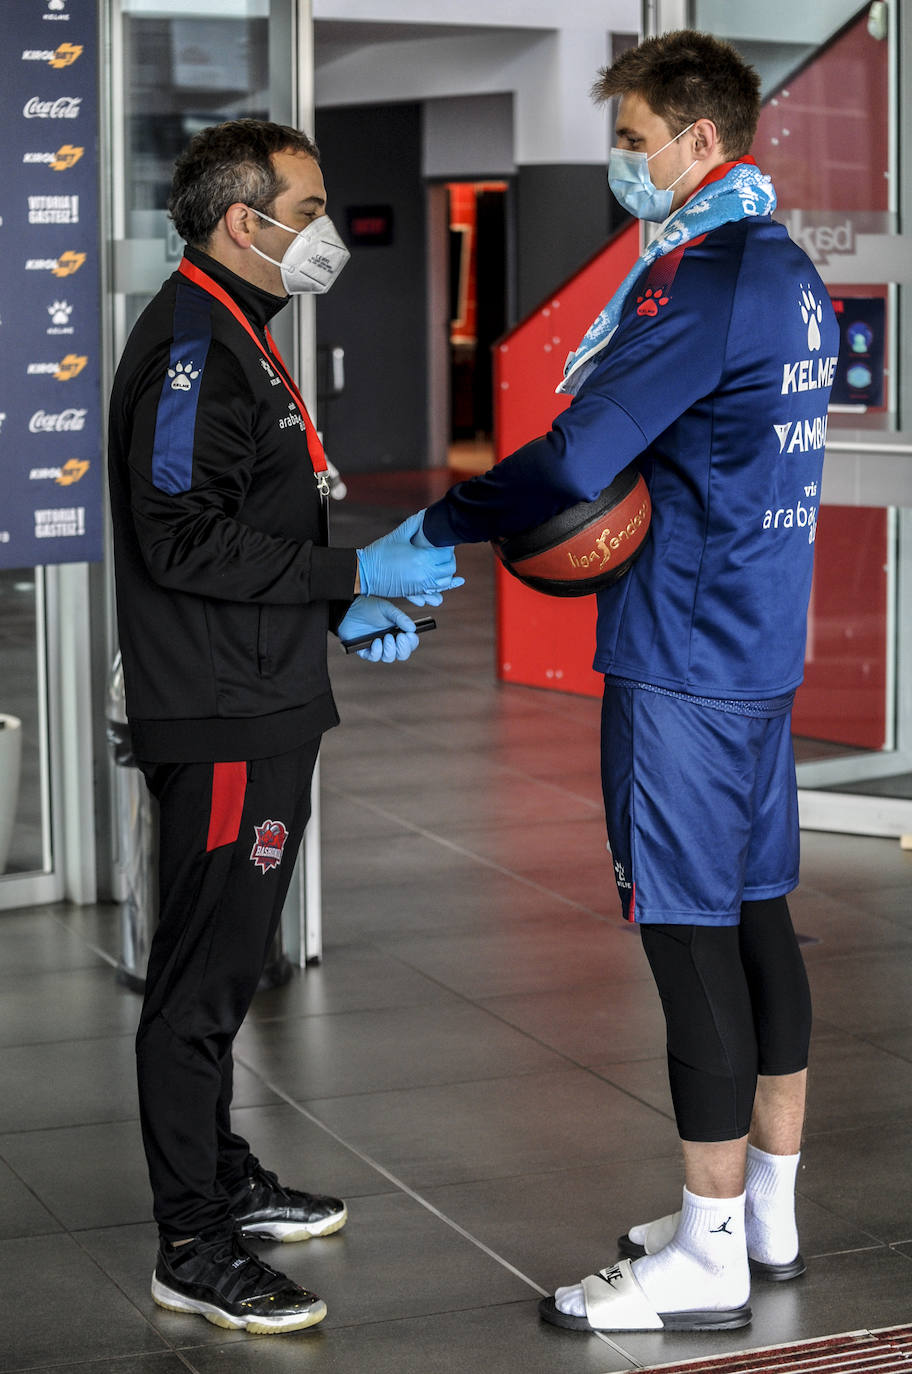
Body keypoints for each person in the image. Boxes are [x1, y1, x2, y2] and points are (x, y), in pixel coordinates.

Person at [411, 31, 838, 1335]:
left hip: (683, 661)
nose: (624, 164)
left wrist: (430, 531)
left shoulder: (703, 279)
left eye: (638, 140)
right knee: (760, 917)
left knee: (689, 936)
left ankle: (703, 1253)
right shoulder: (788, 267)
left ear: (701, 141)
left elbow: (572, 457)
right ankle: (765, 1210)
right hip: (758, 652)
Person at [107, 118, 460, 1336]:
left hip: (263, 694)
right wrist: (351, 580)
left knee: (232, 963)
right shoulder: (193, 350)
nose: (325, 231)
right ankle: (191, 1243)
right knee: (202, 983)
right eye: (306, 208)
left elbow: (257, 513)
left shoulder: (240, 332)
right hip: (218, 712)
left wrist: (337, 600)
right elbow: (180, 536)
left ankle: (220, 1181)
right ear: (241, 221)